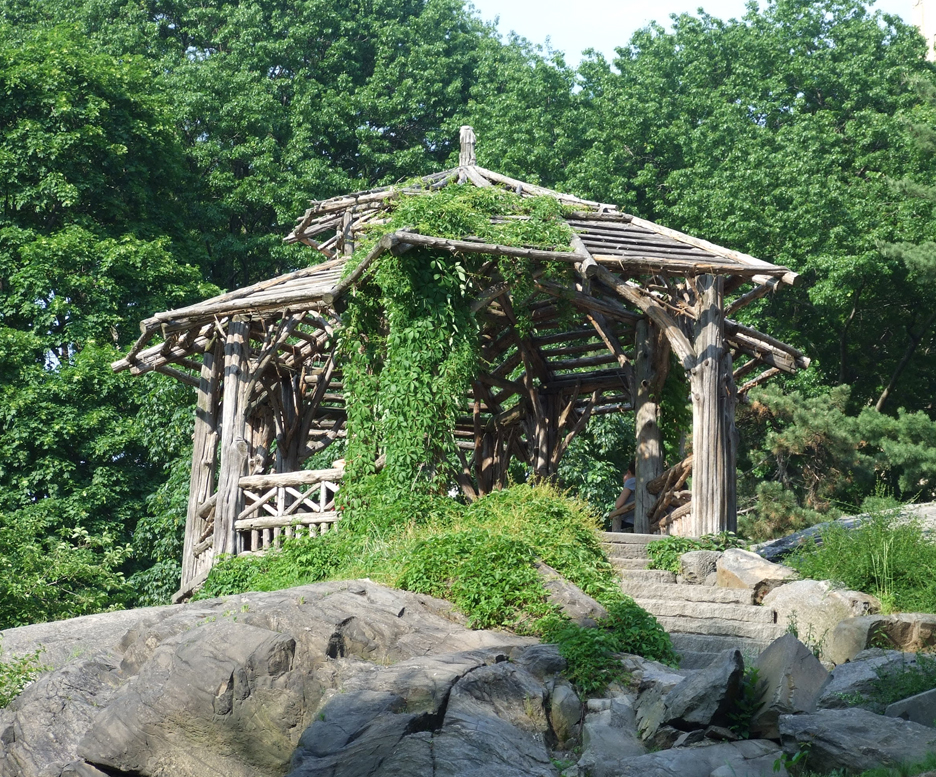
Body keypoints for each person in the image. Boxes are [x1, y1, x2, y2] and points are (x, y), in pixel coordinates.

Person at [610, 460, 636, 532]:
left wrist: (626, 483)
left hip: (629, 522)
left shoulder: (631, 481)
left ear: (629, 472)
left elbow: (618, 504)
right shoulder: (645, 481)